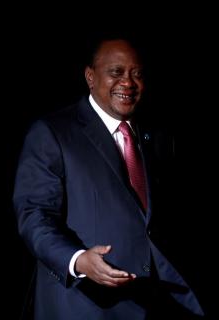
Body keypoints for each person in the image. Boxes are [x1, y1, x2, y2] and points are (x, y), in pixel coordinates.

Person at [13, 37, 204, 319]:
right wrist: (76, 260)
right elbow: (34, 214)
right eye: (116, 72)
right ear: (90, 77)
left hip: (158, 302)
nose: (127, 82)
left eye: (136, 74)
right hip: (86, 304)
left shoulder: (158, 137)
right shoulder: (53, 133)